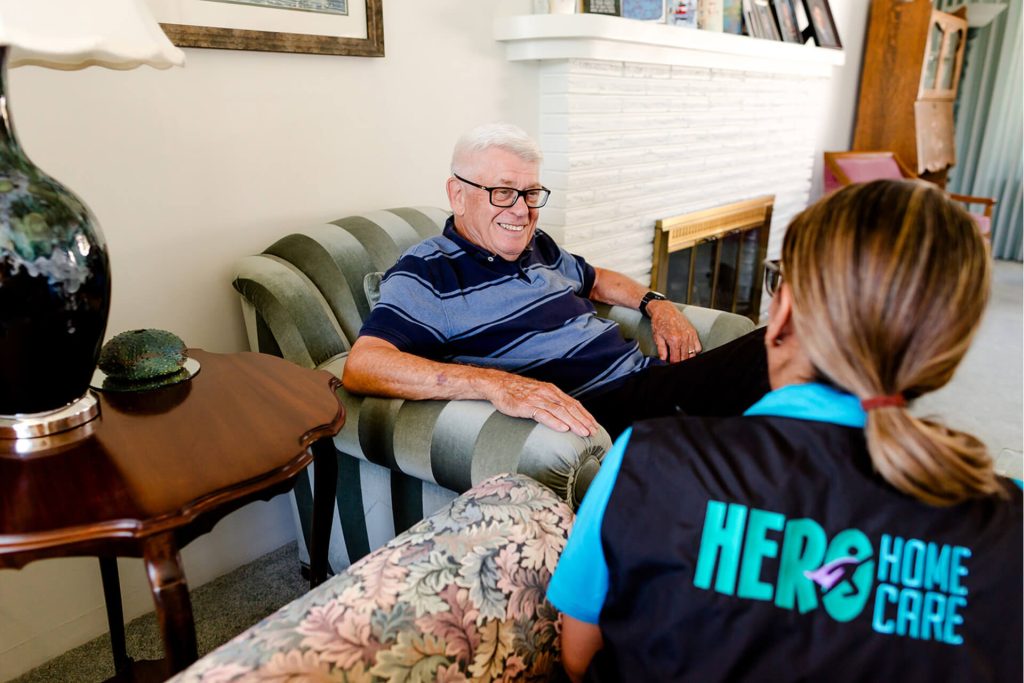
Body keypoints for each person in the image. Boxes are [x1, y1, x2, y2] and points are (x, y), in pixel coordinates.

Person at [547, 179, 1023, 682]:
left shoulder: (646, 460)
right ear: (947, 348)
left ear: (785, 312)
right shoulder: (1007, 523)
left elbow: (579, 658)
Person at [342, 122, 769, 438]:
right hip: (602, 409)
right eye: (503, 192)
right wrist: (495, 384)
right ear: (457, 194)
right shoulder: (429, 271)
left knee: (782, 344)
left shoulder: (537, 245)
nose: (522, 211)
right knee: (780, 363)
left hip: (649, 379)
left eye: (531, 194)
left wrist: (657, 303)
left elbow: (596, 278)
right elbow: (363, 366)